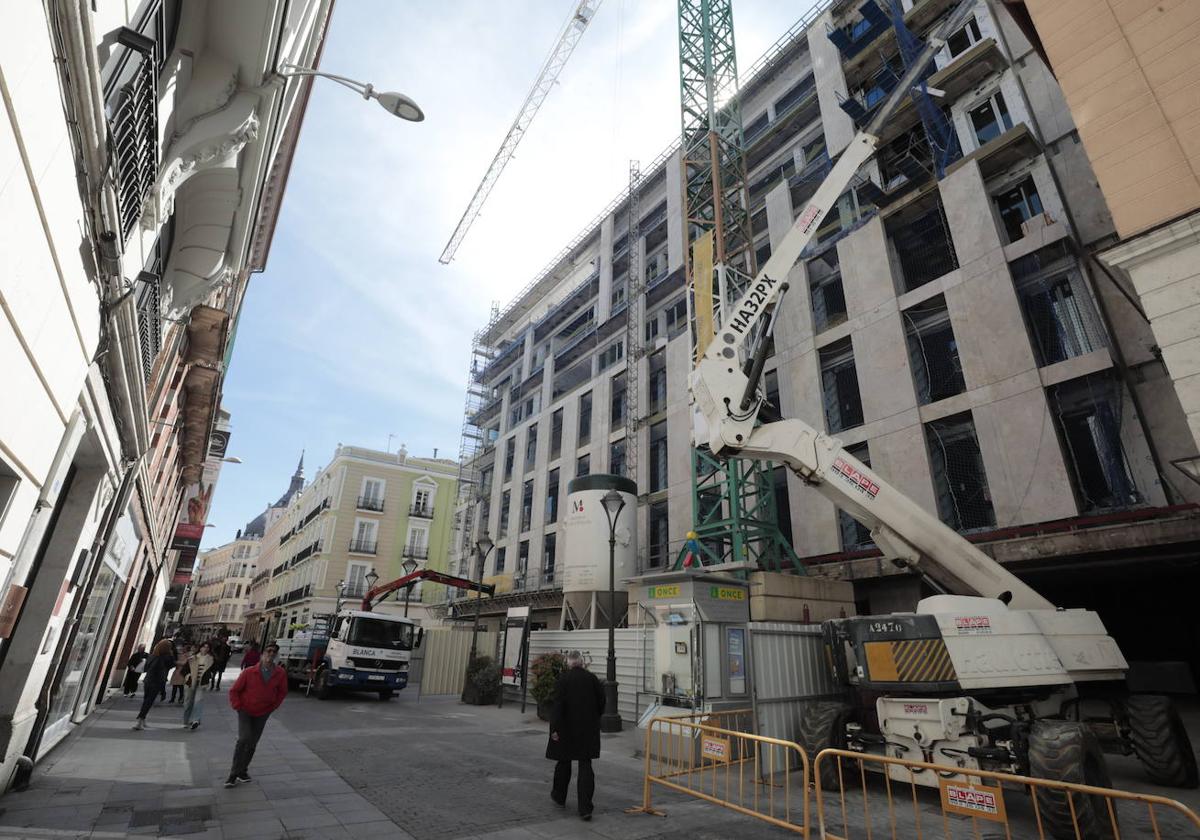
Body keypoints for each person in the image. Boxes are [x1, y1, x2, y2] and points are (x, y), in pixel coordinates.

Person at [546, 650, 605, 821]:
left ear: (568, 662)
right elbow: (602, 701)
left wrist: (554, 729)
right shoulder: (592, 679)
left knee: (563, 761)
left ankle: (559, 795)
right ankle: (585, 808)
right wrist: (595, 717)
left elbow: (557, 706)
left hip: (566, 729)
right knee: (585, 765)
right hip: (587, 729)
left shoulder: (563, 680)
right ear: (581, 662)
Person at [225, 643, 287, 788]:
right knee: (243, 739)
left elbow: (282, 692)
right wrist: (238, 706)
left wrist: (273, 706)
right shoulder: (249, 672)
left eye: (274, 652)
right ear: (262, 654)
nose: (271, 654)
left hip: (263, 712)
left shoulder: (280, 673)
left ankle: (243, 770)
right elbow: (234, 690)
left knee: (252, 742)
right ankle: (233, 774)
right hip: (245, 710)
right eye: (268, 651)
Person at [132, 640, 174, 730]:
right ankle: (140, 720)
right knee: (149, 702)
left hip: (148, 680)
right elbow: (172, 664)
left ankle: (142, 720)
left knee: (146, 700)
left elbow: (146, 668)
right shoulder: (167, 658)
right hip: (157, 681)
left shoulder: (152, 656)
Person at [182, 641, 214, 730]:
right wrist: (187, 676)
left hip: (202, 683)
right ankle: (186, 720)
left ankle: (195, 720)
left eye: (207, 647)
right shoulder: (193, 658)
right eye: (204, 647)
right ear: (200, 648)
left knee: (198, 701)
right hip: (191, 682)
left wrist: (209, 677)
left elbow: (214, 669)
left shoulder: (211, 659)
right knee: (188, 702)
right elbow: (184, 670)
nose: (205, 649)